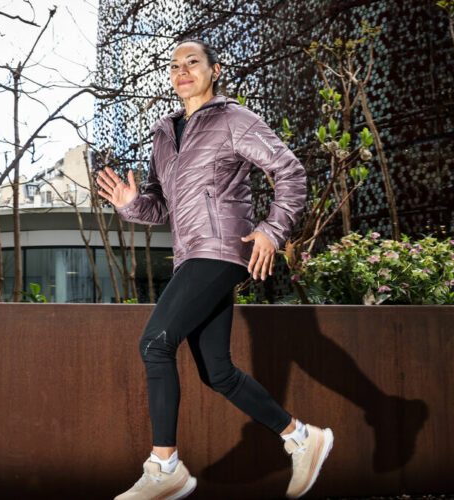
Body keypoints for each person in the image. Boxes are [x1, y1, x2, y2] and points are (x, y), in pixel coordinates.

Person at [96, 38, 333, 500]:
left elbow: (291, 172)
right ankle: (303, 439)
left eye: (193, 62)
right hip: (192, 256)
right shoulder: (164, 134)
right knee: (217, 372)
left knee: (155, 343)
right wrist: (129, 205)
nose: (182, 71)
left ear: (214, 70)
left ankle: (165, 468)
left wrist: (272, 229)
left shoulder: (233, 119)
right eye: (174, 65)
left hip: (223, 248)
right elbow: (161, 206)